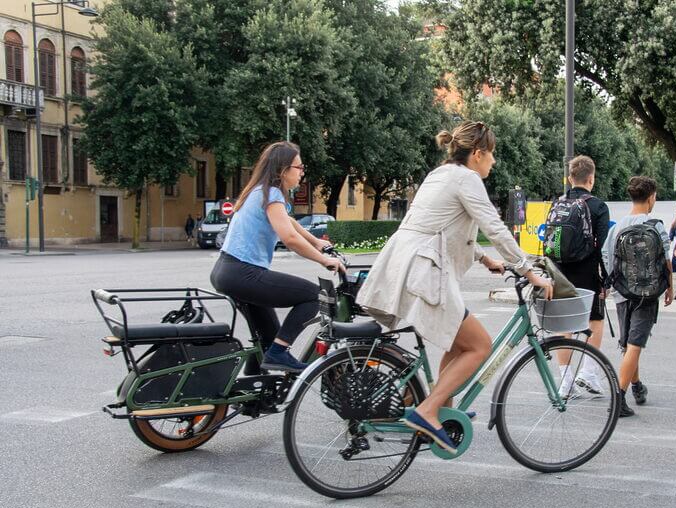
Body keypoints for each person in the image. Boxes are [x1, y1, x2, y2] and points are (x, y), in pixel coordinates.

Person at [356, 121, 554, 453]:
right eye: (491, 155)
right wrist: (530, 271)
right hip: (425, 270)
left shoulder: (440, 174)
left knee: (457, 339)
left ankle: (441, 404)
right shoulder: (467, 179)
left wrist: (482, 258)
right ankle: (428, 410)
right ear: (477, 154)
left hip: (409, 263)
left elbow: (441, 223)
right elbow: (494, 226)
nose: (493, 162)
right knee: (479, 346)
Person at [210, 142, 344, 374]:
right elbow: (289, 237)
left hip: (227, 271)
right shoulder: (271, 193)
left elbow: (288, 222)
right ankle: (279, 353)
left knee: (268, 337)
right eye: (299, 167)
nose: (302, 172)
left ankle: (253, 393)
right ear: (283, 169)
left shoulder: (261, 191)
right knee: (312, 296)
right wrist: (324, 260)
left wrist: (315, 241)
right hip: (243, 272)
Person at [602, 176, 673, 416]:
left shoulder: (617, 227)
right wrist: (670, 288)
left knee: (629, 344)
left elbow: (607, 258)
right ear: (651, 197)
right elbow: (666, 261)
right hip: (648, 294)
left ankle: (636, 385)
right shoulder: (657, 225)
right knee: (635, 344)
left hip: (623, 294)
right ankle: (619, 398)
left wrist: (610, 288)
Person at [548, 155, 611, 397]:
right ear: (591, 179)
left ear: (570, 178)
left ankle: (565, 382)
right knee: (594, 321)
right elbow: (602, 246)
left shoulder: (558, 202)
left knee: (565, 325)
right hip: (587, 272)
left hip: (560, 271)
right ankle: (588, 372)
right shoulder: (598, 206)